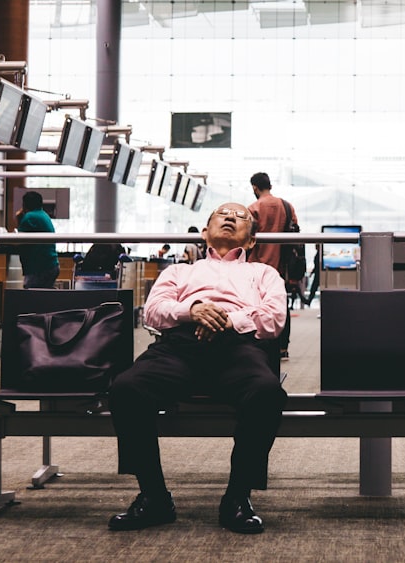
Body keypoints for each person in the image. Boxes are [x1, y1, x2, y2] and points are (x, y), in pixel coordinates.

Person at [107, 202, 288, 535]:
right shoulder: (180, 272)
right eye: (223, 214)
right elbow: (154, 311)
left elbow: (274, 319)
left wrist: (226, 320)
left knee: (267, 393)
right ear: (205, 233)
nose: (231, 217)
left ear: (250, 242)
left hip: (239, 348)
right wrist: (194, 311)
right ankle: (154, 496)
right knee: (125, 388)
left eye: (241, 217)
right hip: (180, 347)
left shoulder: (264, 274)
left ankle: (237, 497)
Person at [247, 172, 298, 360]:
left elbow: (246, 237)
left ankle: (262, 345)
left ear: (254, 187)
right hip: (281, 267)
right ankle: (283, 347)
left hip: (257, 267)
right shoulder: (287, 206)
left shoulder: (253, 208)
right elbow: (296, 236)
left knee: (258, 307)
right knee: (281, 305)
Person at [16, 191, 60, 289]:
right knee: (42, 299)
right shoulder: (43, 215)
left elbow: (18, 240)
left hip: (38, 267)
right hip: (50, 265)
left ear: (24, 204)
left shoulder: (29, 217)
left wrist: (19, 219)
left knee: (32, 299)